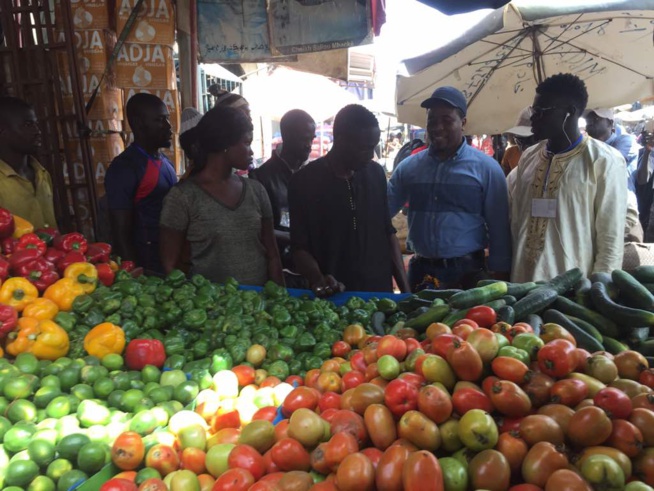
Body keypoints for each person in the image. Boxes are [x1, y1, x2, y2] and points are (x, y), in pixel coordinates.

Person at [388, 86, 512, 291]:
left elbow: (499, 230)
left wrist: (501, 278)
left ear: (463, 123)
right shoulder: (409, 168)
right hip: (421, 273)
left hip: (467, 272)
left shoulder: (487, 169)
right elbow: (381, 212)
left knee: (469, 325)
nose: (437, 127)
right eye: (432, 121)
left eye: (446, 120)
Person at [509, 74, 627, 282]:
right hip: (522, 286)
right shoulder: (529, 157)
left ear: (569, 112)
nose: (534, 118)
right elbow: (517, 222)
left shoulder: (604, 161)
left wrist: (599, 293)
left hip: (572, 293)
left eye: (541, 112)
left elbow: (611, 240)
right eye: (533, 111)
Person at [289, 104, 410, 295]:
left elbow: (388, 233)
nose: (371, 155)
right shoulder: (304, 182)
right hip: (334, 299)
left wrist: (406, 293)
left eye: (374, 147)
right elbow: (299, 248)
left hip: (379, 295)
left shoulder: (376, 174)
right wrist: (318, 279)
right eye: (365, 148)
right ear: (341, 141)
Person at [159, 106, 284, 286]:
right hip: (210, 309)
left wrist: (281, 298)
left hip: (257, 308)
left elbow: (272, 256)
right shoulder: (182, 197)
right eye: (247, 143)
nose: (251, 152)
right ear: (225, 144)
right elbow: (170, 266)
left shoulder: (257, 191)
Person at [105, 93, 177, 274]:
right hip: (147, 266)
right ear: (138, 123)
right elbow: (120, 230)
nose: (168, 127)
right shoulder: (125, 167)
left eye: (167, 119)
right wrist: (134, 273)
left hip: (170, 259)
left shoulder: (165, 161)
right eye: (160, 120)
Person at [250, 110, 315, 284]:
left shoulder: (312, 175)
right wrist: (295, 238)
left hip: (310, 268)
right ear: (288, 137)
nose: (309, 145)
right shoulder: (260, 177)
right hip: (278, 268)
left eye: (312, 139)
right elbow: (256, 227)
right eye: (304, 139)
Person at [585, 107, 643, 242]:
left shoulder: (625, 141)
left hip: (622, 212)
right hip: (595, 213)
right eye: (588, 120)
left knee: (627, 256)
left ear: (611, 123)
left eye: (596, 119)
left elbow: (609, 164)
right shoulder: (586, 147)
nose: (591, 122)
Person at [0, 96, 57, 229]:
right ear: (2, 131)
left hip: (48, 250)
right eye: (28, 125)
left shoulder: (42, 174)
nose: (37, 131)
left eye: (36, 124)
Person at [501, 107, 536, 176]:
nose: (523, 146)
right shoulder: (511, 153)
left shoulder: (547, 157)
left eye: (528, 140)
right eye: (519, 139)